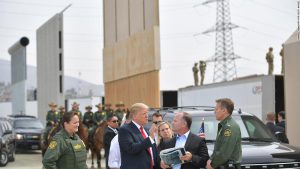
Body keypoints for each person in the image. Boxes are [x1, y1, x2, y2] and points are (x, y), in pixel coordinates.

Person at [118, 103, 160, 169]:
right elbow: (131, 148)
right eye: (144, 114)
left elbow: (153, 151)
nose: (147, 116)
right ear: (134, 116)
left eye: (147, 113)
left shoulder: (146, 130)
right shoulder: (125, 129)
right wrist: (151, 138)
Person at [206, 98, 242, 169]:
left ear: (224, 110)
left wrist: (212, 164)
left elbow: (224, 152)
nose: (214, 111)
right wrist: (211, 159)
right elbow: (218, 149)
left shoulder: (229, 127)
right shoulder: (224, 125)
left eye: (216, 109)